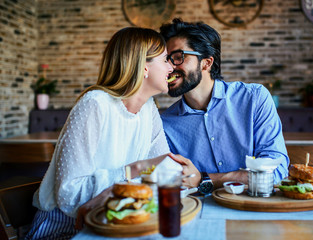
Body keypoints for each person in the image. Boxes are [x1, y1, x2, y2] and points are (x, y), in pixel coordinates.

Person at [26, 27, 176, 239]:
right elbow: (69, 194)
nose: (171, 67)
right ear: (144, 67)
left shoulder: (148, 108)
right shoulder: (95, 104)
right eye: (165, 60)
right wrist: (132, 172)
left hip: (117, 218)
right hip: (66, 226)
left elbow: (161, 167)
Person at [159, 19, 289, 193]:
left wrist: (205, 179)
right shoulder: (165, 124)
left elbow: (276, 171)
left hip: (255, 208)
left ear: (206, 62)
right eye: (166, 60)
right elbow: (173, 179)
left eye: (177, 57)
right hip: (198, 212)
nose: (169, 67)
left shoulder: (254, 98)